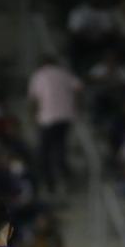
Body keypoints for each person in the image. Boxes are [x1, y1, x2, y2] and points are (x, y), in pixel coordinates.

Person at [27, 54, 82, 194]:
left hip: (48, 118)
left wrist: (33, 117)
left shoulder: (39, 75)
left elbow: (33, 99)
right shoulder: (64, 73)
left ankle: (50, 183)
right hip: (65, 117)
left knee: (44, 152)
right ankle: (64, 177)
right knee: (60, 146)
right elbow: (78, 88)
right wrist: (75, 107)